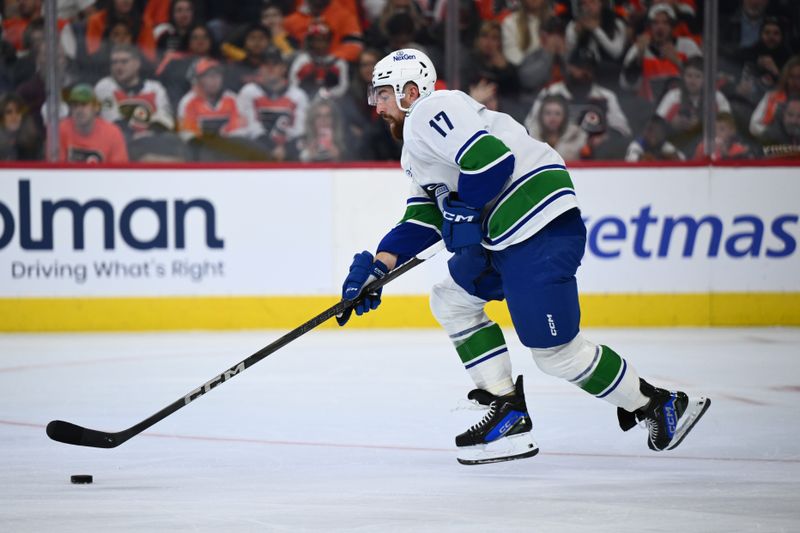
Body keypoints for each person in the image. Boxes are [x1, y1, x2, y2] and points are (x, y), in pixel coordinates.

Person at [335, 48, 711, 464]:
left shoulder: (431, 109)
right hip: (504, 235)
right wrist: (378, 266)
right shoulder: (415, 149)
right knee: (452, 299)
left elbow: (494, 163)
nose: (378, 106)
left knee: (557, 354)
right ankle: (507, 410)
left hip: (535, 224)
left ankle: (658, 404)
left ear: (410, 91)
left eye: (383, 94)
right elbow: (424, 217)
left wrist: (466, 209)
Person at [58, 83, 128, 162]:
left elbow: (118, 171)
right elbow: (56, 169)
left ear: (96, 107)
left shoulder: (113, 134)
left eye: (84, 105)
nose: (79, 110)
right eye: (75, 105)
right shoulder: (61, 130)